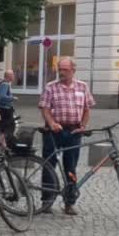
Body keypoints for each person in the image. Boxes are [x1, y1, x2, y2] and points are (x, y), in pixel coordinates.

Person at [38, 57, 93, 215]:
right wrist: (51, 123)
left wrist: (83, 126)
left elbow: (87, 109)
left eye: (65, 70)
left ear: (73, 70)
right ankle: (47, 201)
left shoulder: (82, 87)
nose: (61, 73)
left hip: (73, 131)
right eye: (59, 69)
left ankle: (69, 202)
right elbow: (45, 108)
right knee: (49, 165)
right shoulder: (51, 87)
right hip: (54, 131)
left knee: (71, 167)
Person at [0, 68, 17, 143]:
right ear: (9, 76)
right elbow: (2, 96)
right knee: (10, 127)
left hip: (3, 108)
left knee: (4, 126)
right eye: (12, 75)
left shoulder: (2, 83)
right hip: (6, 108)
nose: (14, 76)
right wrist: (12, 98)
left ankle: (3, 145)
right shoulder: (5, 84)